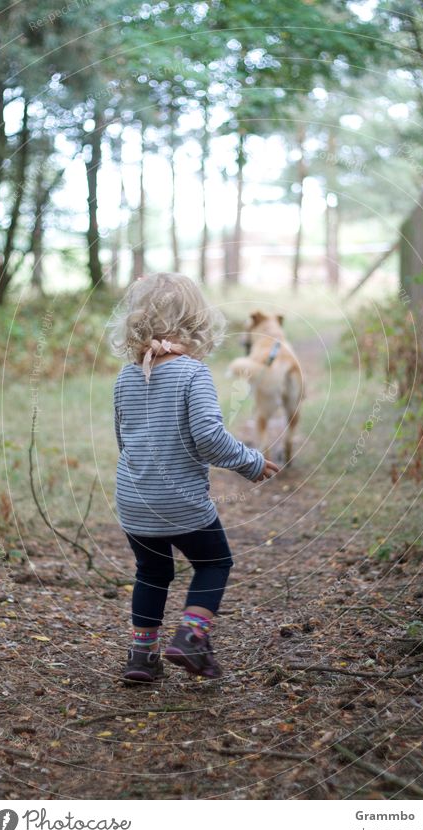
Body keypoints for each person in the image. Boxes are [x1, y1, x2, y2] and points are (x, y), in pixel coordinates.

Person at [110, 272, 278, 682]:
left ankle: (142, 657)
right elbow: (208, 436)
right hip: (180, 500)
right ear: (197, 321)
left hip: (133, 500)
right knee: (215, 562)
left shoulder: (125, 377)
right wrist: (250, 462)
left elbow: (123, 439)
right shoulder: (192, 373)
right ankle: (191, 637)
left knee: (151, 572)